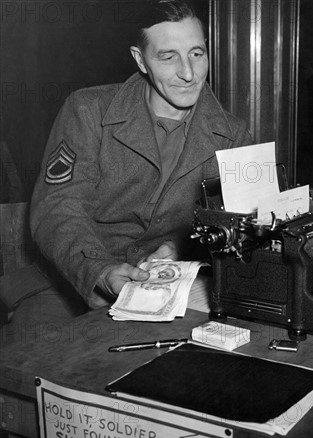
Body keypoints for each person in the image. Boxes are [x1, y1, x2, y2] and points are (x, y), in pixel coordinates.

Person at [2, 0, 251, 338]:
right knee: (36, 364)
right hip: (71, 282)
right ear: (140, 60)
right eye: (168, 57)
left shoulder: (233, 134)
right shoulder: (89, 111)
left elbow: (237, 231)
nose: (189, 73)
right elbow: (58, 209)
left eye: (197, 53)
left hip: (173, 287)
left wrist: (181, 249)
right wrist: (99, 270)